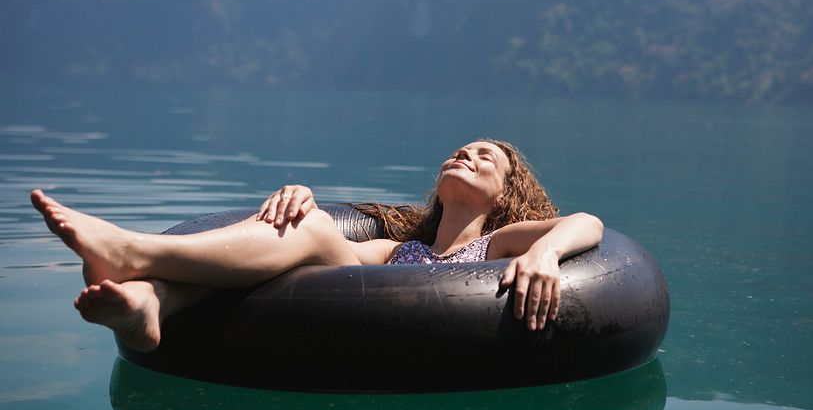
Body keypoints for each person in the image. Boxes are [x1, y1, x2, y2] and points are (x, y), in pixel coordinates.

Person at [30, 140, 603, 353]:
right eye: (461, 150)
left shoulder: (500, 241)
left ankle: (137, 255)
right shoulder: (395, 251)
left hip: (414, 345)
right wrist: (305, 199)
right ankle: (155, 302)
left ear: (504, 195)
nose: (466, 156)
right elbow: (317, 252)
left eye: (485, 159)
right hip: (360, 311)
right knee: (304, 236)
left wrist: (546, 253)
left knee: (312, 235)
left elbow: (588, 222)